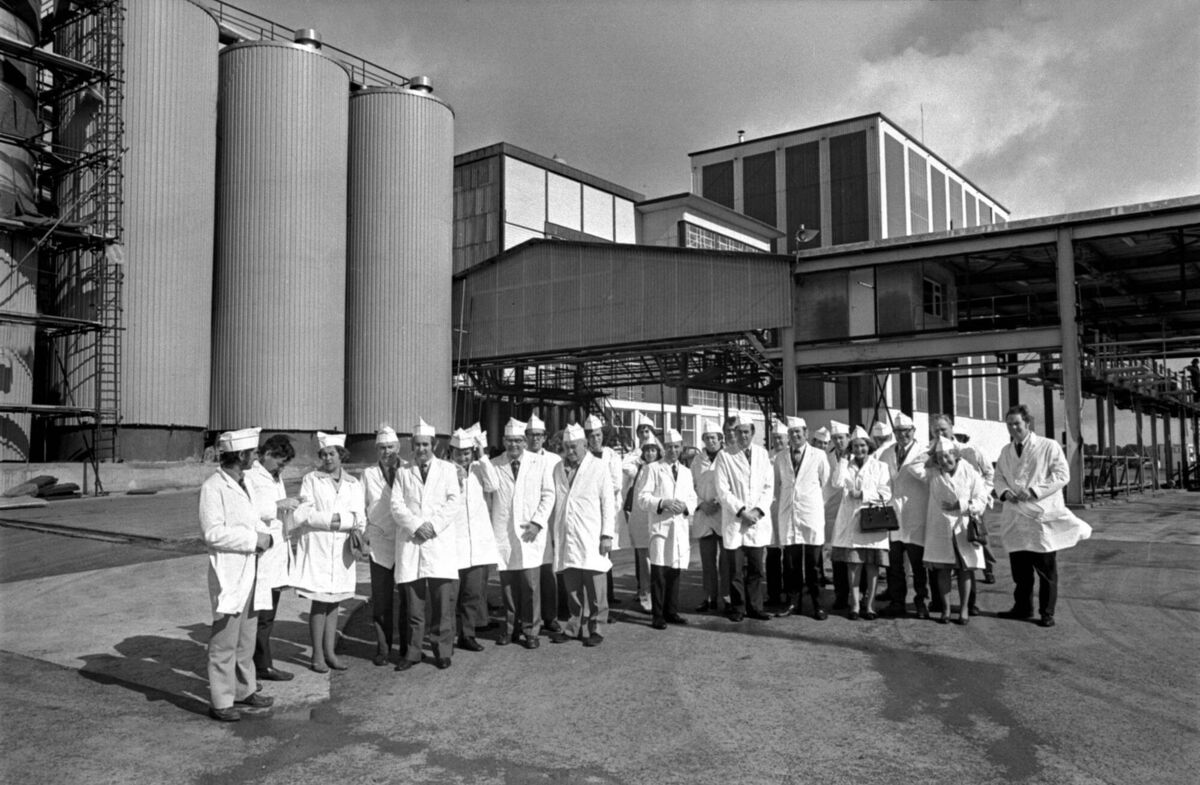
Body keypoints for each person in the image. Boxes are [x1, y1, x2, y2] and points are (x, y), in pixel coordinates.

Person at [199, 427, 275, 722]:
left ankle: (245, 689)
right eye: (254, 453)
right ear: (241, 455)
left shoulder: (246, 483)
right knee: (224, 641)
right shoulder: (213, 487)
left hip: (252, 569)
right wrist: (252, 540)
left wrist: (265, 536)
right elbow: (212, 533)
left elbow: (254, 519)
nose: (257, 457)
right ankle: (221, 701)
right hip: (229, 573)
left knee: (246, 638)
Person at [994, 405, 1092, 628]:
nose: (1013, 428)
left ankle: (1047, 612)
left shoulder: (1048, 446)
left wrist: (1035, 490)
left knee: (1046, 571)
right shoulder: (1005, 451)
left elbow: (1062, 475)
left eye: (1017, 423)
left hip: (1040, 516)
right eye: (1009, 424)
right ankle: (1022, 608)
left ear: (1027, 423)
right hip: (1016, 517)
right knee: (1021, 572)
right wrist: (1004, 492)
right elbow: (998, 477)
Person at [389, 418, 461, 670]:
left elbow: (454, 502)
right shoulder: (403, 472)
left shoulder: (448, 470)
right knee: (414, 606)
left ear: (434, 444)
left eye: (426, 444)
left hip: (438, 543)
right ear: (412, 445)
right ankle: (412, 652)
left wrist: (432, 526)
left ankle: (442, 650)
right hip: (412, 542)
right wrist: (416, 526)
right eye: (417, 444)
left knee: (442, 605)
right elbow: (396, 506)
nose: (421, 449)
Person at [291, 432, 365, 673]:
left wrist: (340, 521)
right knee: (319, 602)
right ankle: (317, 655)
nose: (327, 458)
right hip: (318, 547)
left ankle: (331, 652)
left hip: (342, 549)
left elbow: (359, 518)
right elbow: (304, 514)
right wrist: (335, 520)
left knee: (334, 603)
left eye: (332, 453)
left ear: (341, 455)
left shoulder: (354, 483)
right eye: (323, 454)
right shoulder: (311, 479)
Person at [484, 417, 556, 649]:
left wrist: (537, 523)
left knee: (531, 586)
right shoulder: (494, 464)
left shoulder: (540, 463)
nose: (514, 445)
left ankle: (531, 630)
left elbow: (548, 495)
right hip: (504, 533)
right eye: (509, 441)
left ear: (525, 441)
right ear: (503, 441)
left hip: (530, 532)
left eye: (518, 440)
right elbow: (488, 496)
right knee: (507, 586)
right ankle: (509, 628)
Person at [549, 423, 616, 646]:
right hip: (567, 534)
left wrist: (607, 534)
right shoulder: (558, 468)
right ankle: (573, 626)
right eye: (566, 447)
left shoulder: (598, 467)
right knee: (573, 586)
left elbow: (608, 502)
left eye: (574, 447)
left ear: (585, 445)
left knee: (596, 586)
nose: (570, 452)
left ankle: (596, 627)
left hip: (591, 535)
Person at [243, 433, 298, 683]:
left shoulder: (274, 476)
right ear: (267, 454)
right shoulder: (251, 476)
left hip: (276, 552)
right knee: (260, 615)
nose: (282, 467)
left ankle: (260, 665)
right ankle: (260, 666)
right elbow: (252, 510)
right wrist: (280, 504)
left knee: (269, 613)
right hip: (262, 553)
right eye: (280, 461)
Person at [923, 436, 989, 625]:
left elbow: (981, 499)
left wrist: (960, 505)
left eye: (949, 456)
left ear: (956, 455)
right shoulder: (932, 473)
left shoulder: (969, 471)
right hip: (940, 527)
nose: (945, 461)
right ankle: (945, 609)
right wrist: (931, 450)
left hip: (963, 527)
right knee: (942, 570)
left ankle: (964, 609)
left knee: (964, 571)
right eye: (941, 457)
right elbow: (915, 463)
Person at [715, 415, 775, 622]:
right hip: (736, 520)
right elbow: (723, 490)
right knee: (735, 569)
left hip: (757, 521)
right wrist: (742, 512)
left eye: (746, 432)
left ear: (753, 432)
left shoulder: (762, 454)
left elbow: (769, 487)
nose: (742, 436)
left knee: (757, 568)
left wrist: (757, 511)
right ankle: (738, 607)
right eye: (739, 432)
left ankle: (755, 607)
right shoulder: (725, 456)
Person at [637, 428, 697, 629]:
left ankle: (672, 611)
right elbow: (642, 499)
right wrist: (662, 502)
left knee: (675, 570)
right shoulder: (653, 468)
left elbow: (692, 497)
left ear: (681, 448)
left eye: (676, 447)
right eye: (669, 447)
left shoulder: (686, 472)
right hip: (660, 526)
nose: (673, 450)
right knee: (659, 571)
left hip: (678, 527)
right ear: (665, 449)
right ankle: (658, 615)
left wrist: (686, 507)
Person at [830, 426, 892, 620]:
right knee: (853, 565)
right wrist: (842, 459)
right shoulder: (845, 465)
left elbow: (886, 494)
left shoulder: (880, 467)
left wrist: (863, 495)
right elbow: (836, 483)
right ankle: (855, 605)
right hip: (850, 521)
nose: (859, 449)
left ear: (869, 446)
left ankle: (870, 605)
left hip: (872, 521)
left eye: (863, 445)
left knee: (872, 565)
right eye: (855, 446)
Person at [449, 426, 501, 653]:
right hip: (454, 542)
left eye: (467, 452)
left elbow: (493, 485)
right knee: (452, 595)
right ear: (452, 453)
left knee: (473, 594)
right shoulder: (445, 471)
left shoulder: (480, 469)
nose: (463, 457)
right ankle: (447, 636)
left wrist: (483, 455)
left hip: (478, 543)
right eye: (459, 453)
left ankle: (467, 635)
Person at [774, 417, 830, 620]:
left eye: (798, 432)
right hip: (789, 514)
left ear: (806, 433)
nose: (795, 436)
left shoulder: (819, 455)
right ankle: (792, 603)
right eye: (791, 433)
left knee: (813, 564)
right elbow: (777, 485)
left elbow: (826, 484)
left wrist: (811, 502)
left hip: (811, 513)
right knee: (790, 564)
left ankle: (817, 605)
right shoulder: (781, 457)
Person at [879, 413, 931, 619]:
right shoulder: (886, 453)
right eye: (899, 432)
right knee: (894, 565)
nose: (903, 435)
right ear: (894, 433)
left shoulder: (924, 452)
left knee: (919, 565)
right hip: (893, 516)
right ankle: (897, 601)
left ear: (914, 432)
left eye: (907, 431)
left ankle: (921, 602)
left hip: (916, 513)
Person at [362, 425, 404, 666]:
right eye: (382, 448)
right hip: (379, 543)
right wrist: (362, 534)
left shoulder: (409, 469)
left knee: (408, 598)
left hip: (405, 540)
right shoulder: (368, 474)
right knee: (381, 599)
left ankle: (407, 647)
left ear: (398, 447)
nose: (387, 452)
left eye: (390, 447)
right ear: (376, 449)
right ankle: (383, 647)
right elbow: (360, 505)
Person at [527, 414, 566, 632]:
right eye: (531, 435)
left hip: (548, 524)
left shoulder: (554, 461)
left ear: (545, 437)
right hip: (524, 525)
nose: (535, 439)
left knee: (548, 571)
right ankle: (528, 618)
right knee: (526, 574)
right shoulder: (519, 458)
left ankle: (550, 616)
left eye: (539, 435)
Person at [584, 414, 624, 605]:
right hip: (589, 511)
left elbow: (616, 483)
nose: (595, 439)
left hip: (607, 509)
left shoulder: (611, 455)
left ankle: (607, 596)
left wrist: (600, 492)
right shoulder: (584, 456)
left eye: (598, 435)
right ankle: (595, 598)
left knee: (606, 554)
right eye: (591, 435)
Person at [690, 419, 726, 612]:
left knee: (726, 562)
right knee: (708, 561)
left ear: (720, 439)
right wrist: (701, 504)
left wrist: (719, 502)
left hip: (723, 514)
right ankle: (709, 598)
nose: (710, 441)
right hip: (704, 515)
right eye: (707, 438)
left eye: (713, 437)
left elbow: (732, 485)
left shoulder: (728, 457)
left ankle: (726, 598)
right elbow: (690, 486)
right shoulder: (697, 461)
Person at [624, 433, 662, 613]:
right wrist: (635, 454)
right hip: (640, 521)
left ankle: (658, 595)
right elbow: (624, 466)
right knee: (644, 563)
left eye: (653, 450)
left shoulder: (663, 468)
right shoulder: (638, 469)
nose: (650, 454)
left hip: (656, 518)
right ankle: (645, 595)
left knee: (659, 561)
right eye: (647, 450)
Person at [825, 420, 851, 608]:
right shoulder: (827, 456)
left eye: (841, 438)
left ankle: (861, 593)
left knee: (858, 556)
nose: (838, 441)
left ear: (848, 438)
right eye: (835, 438)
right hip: (834, 513)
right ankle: (841, 595)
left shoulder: (858, 453)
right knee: (838, 557)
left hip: (854, 511)